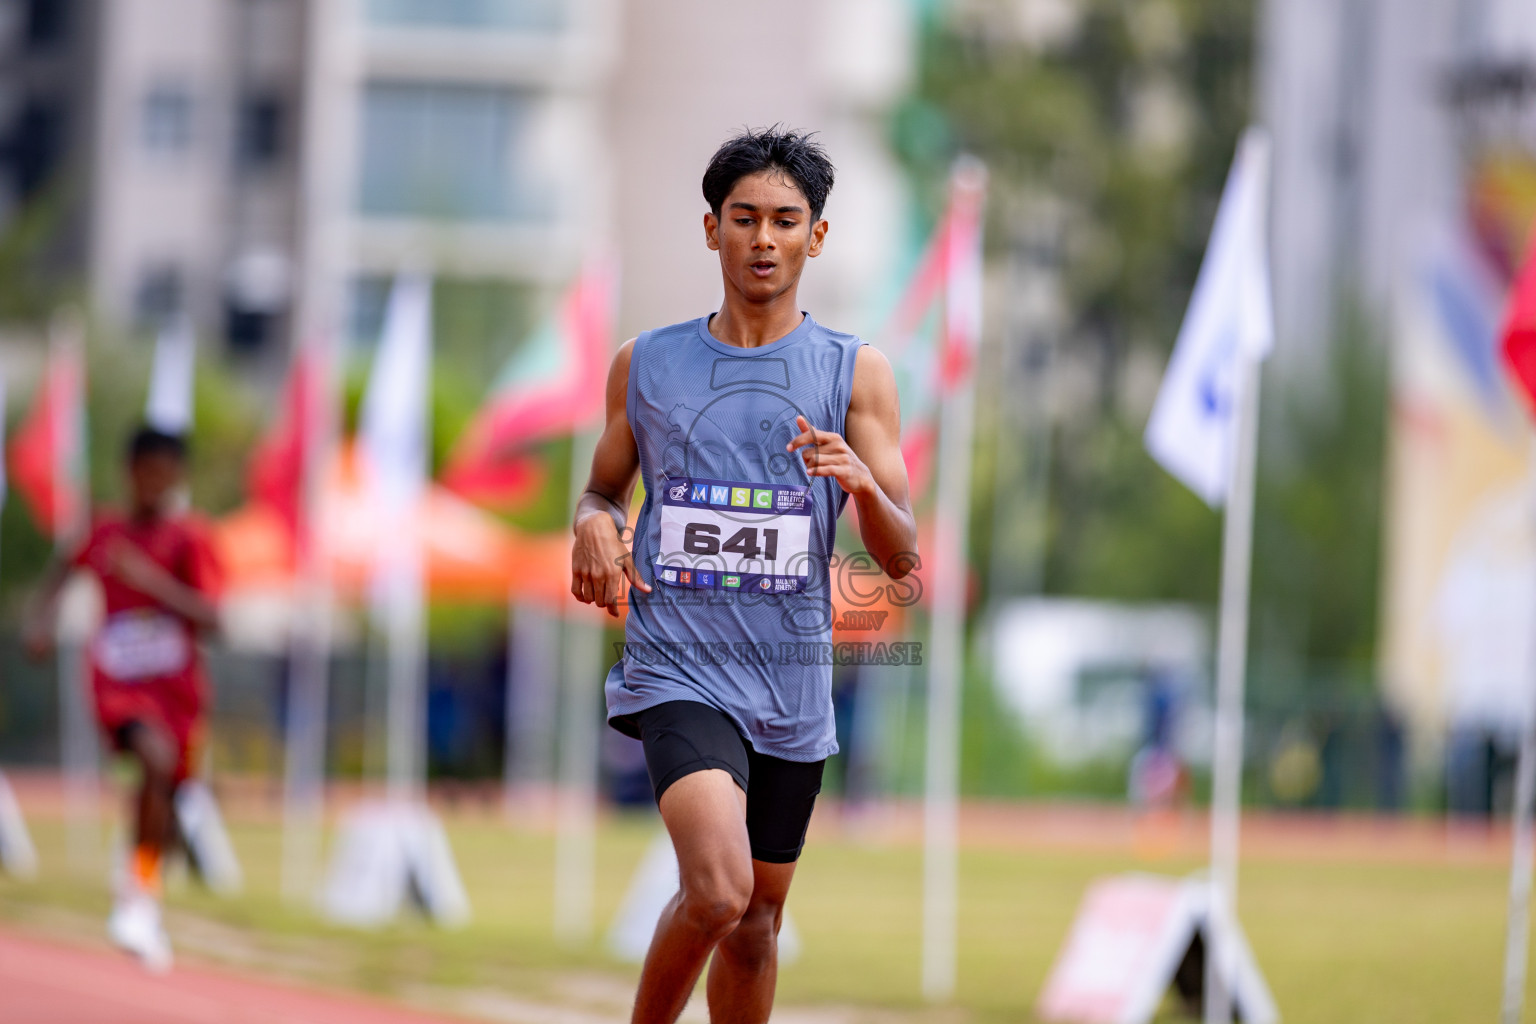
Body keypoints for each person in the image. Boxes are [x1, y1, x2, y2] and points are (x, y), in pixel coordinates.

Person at [571, 127, 917, 1024]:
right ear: (711, 229)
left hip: (792, 685)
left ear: (818, 237)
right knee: (720, 888)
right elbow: (602, 491)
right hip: (677, 669)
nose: (764, 239)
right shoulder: (646, 364)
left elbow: (903, 553)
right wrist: (592, 526)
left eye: (785, 221)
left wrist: (865, 487)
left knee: (758, 924)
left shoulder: (855, 373)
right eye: (745, 218)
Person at [25, 426, 222, 971]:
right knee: (152, 762)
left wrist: (152, 582)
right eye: (145, 473)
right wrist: (40, 621)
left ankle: (141, 882)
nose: (155, 485)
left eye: (166, 474)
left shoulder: (191, 539)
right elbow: (64, 567)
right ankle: (138, 902)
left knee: (167, 801)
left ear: (179, 478)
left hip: (177, 693)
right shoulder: (106, 529)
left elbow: (215, 620)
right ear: (128, 472)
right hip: (119, 684)